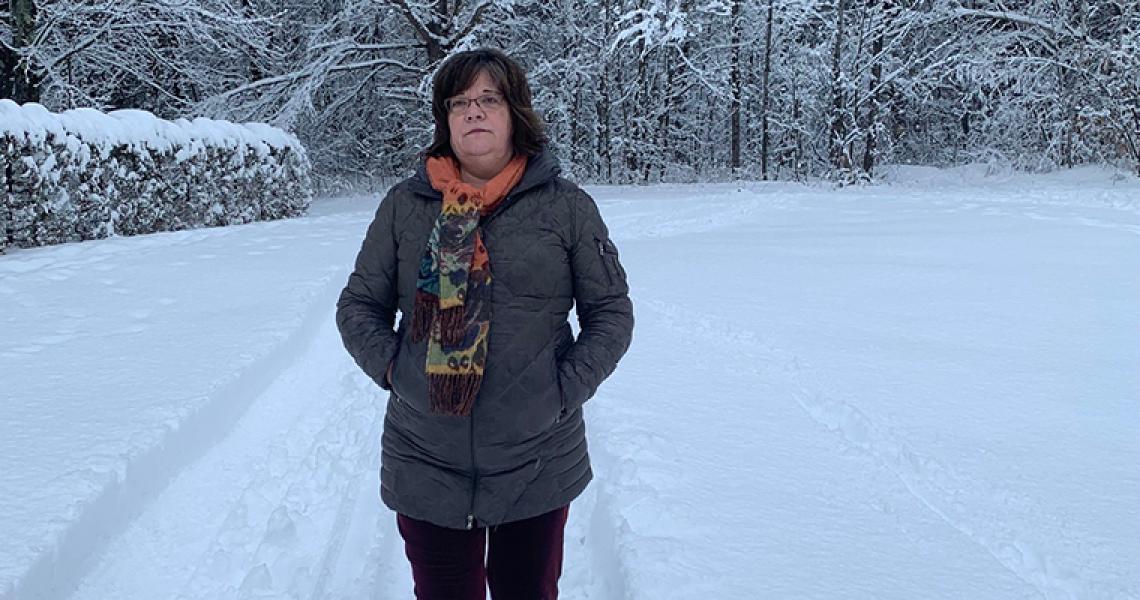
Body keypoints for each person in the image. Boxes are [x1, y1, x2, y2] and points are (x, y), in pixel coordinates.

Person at [335, 48, 634, 600]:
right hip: (425, 457)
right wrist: (397, 370)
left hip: (537, 458)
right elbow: (358, 306)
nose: (473, 112)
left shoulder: (565, 208)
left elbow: (611, 312)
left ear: (514, 113)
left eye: (488, 99)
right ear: (444, 120)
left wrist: (563, 391)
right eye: (459, 102)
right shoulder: (405, 206)